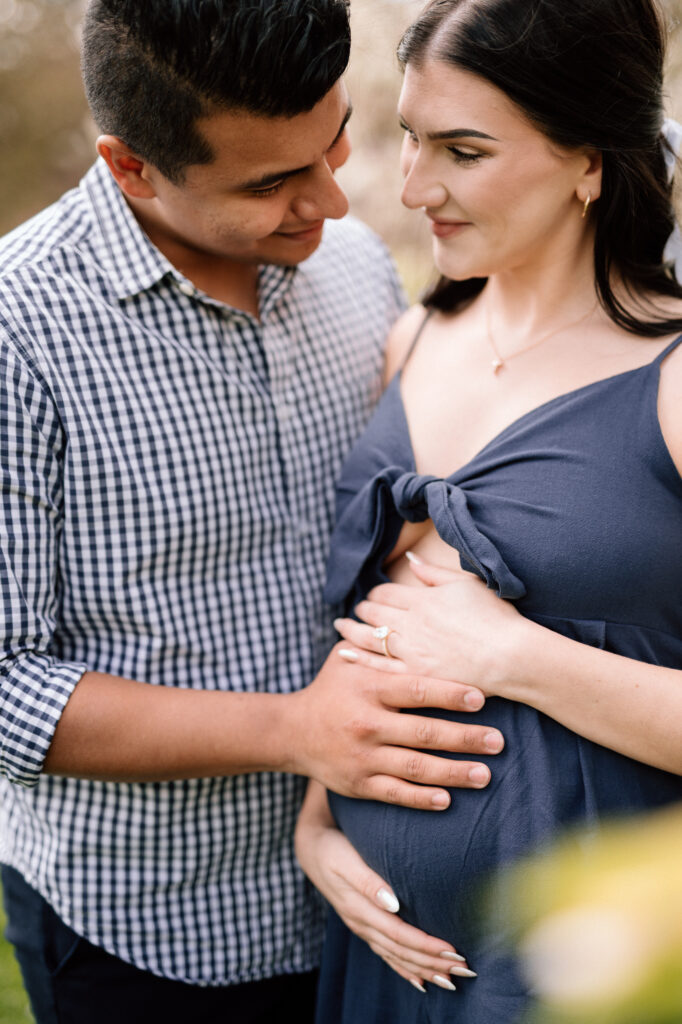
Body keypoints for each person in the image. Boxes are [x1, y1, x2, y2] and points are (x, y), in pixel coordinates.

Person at [0, 2, 507, 1022]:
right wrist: (297, 730)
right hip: (149, 933)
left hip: (371, 904)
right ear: (131, 165)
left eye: (332, 142)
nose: (326, 199)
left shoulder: (356, 267)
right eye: (269, 183)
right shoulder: (19, 335)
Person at [294, 0, 682, 1020]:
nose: (416, 187)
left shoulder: (671, 382)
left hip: (584, 977)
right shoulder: (408, 342)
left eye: (463, 151)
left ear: (588, 159)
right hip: (384, 957)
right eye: (412, 140)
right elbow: (378, 621)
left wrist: (514, 657)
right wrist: (317, 823)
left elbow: (472, 642)